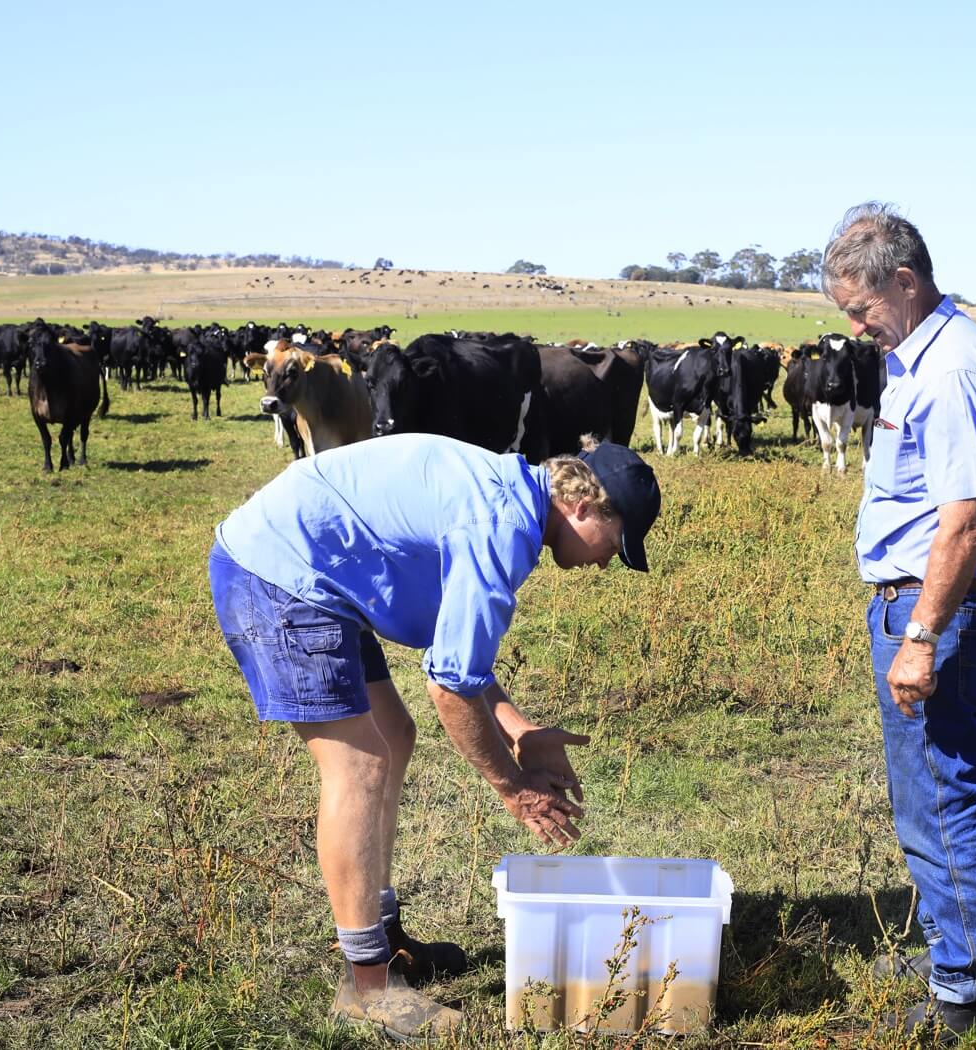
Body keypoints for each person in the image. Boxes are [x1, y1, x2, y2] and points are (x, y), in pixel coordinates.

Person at [208, 432, 661, 1039]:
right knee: (360, 765)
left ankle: (383, 936)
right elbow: (449, 687)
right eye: (616, 544)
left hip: (317, 572)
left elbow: (457, 653)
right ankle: (368, 986)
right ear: (582, 507)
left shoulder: (510, 499)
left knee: (393, 735)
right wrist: (514, 787)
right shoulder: (503, 528)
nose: (606, 563)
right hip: (277, 573)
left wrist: (519, 730)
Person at [823, 202, 976, 1039]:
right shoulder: (921, 358)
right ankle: (953, 946)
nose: (856, 328)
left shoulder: (949, 371)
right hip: (923, 604)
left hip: (938, 609)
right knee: (926, 793)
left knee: (941, 795)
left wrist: (920, 636)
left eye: (861, 309)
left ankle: (964, 991)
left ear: (904, 281)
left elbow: (965, 523)